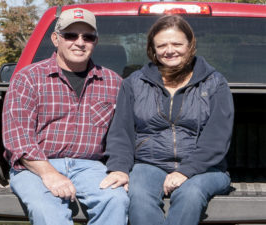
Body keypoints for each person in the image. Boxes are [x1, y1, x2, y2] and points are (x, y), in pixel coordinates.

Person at [100, 15, 234, 225]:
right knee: (139, 196)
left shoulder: (215, 83)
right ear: (152, 49)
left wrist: (186, 171)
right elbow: (121, 133)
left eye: (177, 44)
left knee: (190, 193)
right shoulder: (134, 83)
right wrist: (119, 168)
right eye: (162, 45)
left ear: (190, 45)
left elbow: (217, 138)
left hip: (206, 170)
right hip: (148, 164)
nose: (169, 50)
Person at [2, 8, 129, 225]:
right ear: (55, 38)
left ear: (95, 41)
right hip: (36, 165)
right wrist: (49, 173)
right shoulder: (28, 78)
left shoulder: (113, 82)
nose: (80, 42)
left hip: (91, 167)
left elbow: (121, 136)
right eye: (71, 35)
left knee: (116, 200)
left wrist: (121, 169)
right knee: (47, 210)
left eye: (87, 37)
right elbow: (18, 138)